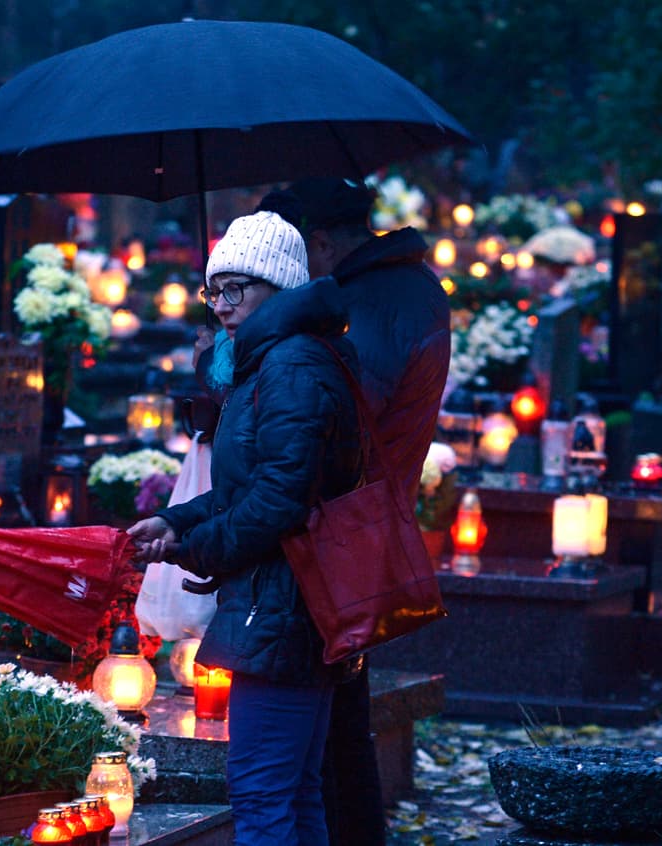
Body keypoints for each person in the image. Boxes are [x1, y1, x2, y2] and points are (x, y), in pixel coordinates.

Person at [129, 211, 364, 846]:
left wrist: (191, 546)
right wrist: (172, 520)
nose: (224, 305)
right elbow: (245, 488)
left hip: (281, 604)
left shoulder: (290, 366)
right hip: (288, 602)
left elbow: (279, 500)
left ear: (280, 288)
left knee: (261, 791)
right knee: (294, 789)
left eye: (240, 288)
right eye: (216, 290)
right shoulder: (274, 363)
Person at [256, 178, 451, 846]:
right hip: (357, 516)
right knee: (338, 728)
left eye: (284, 258)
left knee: (331, 740)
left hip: (339, 525)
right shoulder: (397, 286)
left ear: (318, 242)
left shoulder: (372, 300)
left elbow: (328, 419)